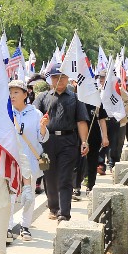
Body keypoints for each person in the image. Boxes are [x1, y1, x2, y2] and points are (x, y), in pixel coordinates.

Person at [35, 68, 90, 222]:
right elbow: (33, 117)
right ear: (50, 79)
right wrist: (41, 123)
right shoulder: (42, 97)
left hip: (68, 141)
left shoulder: (75, 98)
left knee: (65, 177)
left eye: (63, 76)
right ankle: (53, 207)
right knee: (49, 176)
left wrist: (84, 141)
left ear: (67, 78)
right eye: (55, 77)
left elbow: (81, 121)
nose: (59, 80)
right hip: (47, 141)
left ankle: (64, 213)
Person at [9, 79, 41, 242]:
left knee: (29, 195)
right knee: (9, 195)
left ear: (25, 94)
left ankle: (25, 226)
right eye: (10, 93)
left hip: (30, 159)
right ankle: (8, 227)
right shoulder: (5, 113)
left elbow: (42, 138)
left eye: (16, 92)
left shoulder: (35, 114)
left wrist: (43, 128)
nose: (12, 96)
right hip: (10, 160)